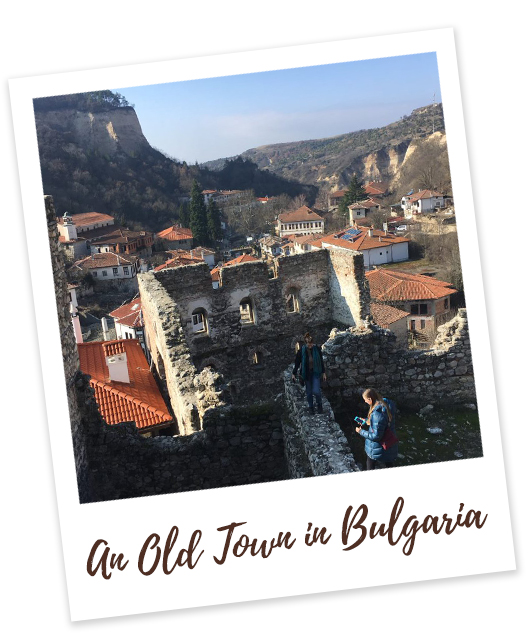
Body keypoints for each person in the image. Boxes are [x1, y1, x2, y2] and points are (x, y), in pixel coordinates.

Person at [355, 388, 398, 470]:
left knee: (370, 463)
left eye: (365, 400)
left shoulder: (377, 414)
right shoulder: (386, 404)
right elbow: (380, 423)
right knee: (389, 462)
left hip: (378, 447)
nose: (365, 402)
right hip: (390, 442)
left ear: (370, 399)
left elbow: (376, 436)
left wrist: (360, 431)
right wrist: (366, 420)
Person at [292, 332, 326, 414]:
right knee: (309, 392)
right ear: (305, 343)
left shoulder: (317, 349)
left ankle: (319, 405)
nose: (310, 346)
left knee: (316, 391)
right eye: (309, 344)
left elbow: (321, 361)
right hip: (306, 374)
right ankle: (311, 407)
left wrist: (324, 372)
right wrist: (294, 373)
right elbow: (297, 362)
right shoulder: (301, 351)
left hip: (316, 372)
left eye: (311, 344)